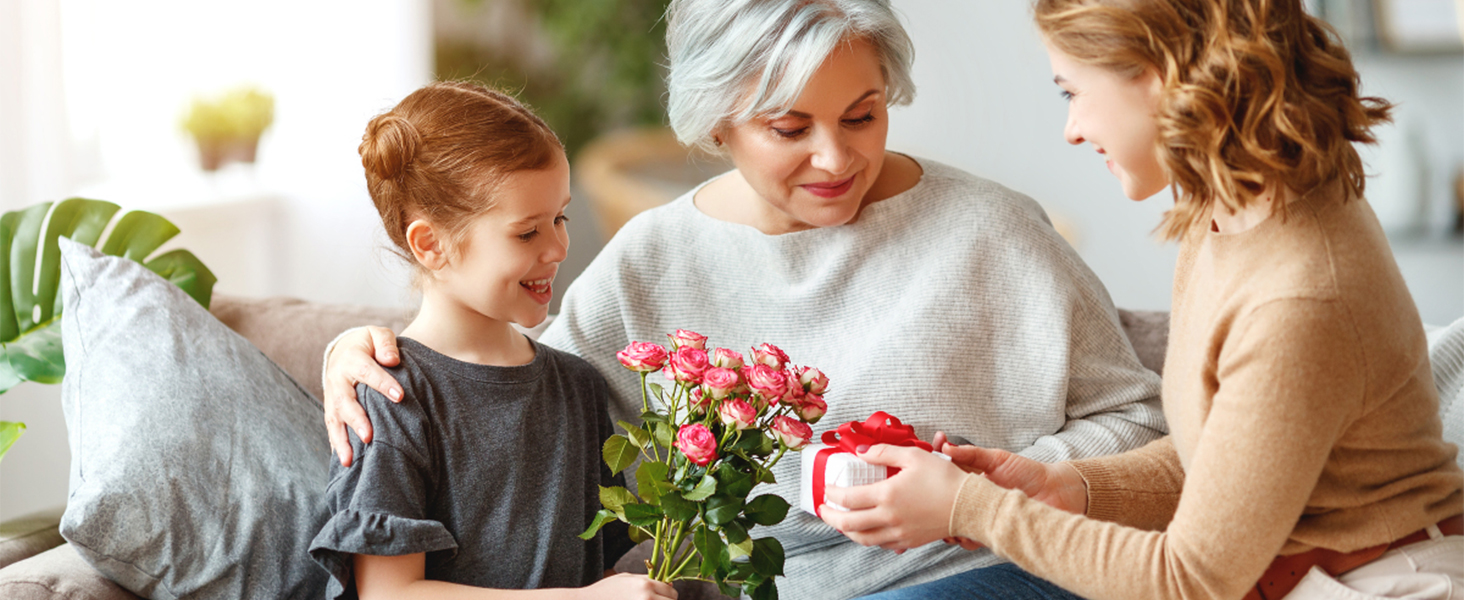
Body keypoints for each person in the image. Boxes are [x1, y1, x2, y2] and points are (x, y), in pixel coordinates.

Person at [319, 2, 1170, 598]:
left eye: (864, 116)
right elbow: (510, 378)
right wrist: (355, 350)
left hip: (981, 570)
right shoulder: (654, 258)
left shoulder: (994, 231)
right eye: (790, 128)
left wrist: (1005, 487)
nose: (836, 158)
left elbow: (1140, 422)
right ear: (716, 122)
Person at [821, 2, 1464, 599]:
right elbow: (1218, 462)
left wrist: (976, 509)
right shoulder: (1229, 208)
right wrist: (1060, 486)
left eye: (1072, 92)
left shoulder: (1298, 298)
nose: (1071, 130)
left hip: (1384, 581)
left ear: (1161, 76)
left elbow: (1188, 579)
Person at [305, 81, 675, 600]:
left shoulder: (578, 387)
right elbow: (390, 593)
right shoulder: (391, 397)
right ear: (431, 244)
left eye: (560, 217)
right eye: (527, 233)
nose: (558, 247)